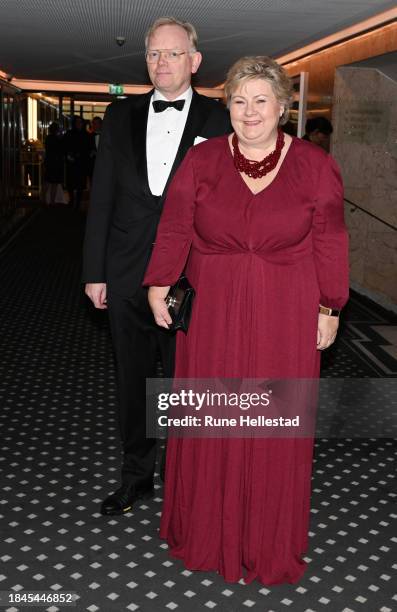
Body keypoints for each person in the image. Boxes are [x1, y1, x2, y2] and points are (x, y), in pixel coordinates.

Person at [144, 56, 349, 585]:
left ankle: (266, 540)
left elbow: (329, 239)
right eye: (239, 100)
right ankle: (207, 532)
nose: (249, 111)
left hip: (287, 309)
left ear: (283, 106)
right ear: (228, 107)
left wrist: (330, 306)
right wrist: (161, 282)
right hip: (213, 311)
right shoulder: (203, 160)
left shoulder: (315, 165)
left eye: (261, 100)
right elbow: (174, 226)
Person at [82, 17, 231, 516]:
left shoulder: (220, 119)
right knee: (135, 380)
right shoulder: (118, 116)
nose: (161, 63)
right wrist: (94, 271)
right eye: (153, 54)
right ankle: (136, 475)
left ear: (195, 60)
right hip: (125, 272)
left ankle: (191, 478)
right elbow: (101, 197)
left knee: (191, 381)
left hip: (192, 276)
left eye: (172, 54)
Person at [63, 115, 90, 210]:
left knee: (80, 185)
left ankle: (78, 202)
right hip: (72, 163)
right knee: (71, 183)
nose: (79, 124)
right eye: (77, 122)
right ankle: (71, 199)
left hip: (81, 163)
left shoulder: (86, 135)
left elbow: (88, 149)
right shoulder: (69, 134)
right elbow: (65, 146)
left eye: (80, 122)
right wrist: (68, 156)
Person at [43, 122, 64, 205]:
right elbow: (60, 150)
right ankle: (52, 201)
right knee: (54, 183)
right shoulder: (58, 139)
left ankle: (44, 199)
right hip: (56, 163)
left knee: (47, 182)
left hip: (49, 162)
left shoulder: (48, 138)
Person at [88, 116, 103, 183]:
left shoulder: (106, 136)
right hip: (92, 165)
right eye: (94, 123)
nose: (95, 125)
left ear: (101, 124)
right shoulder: (88, 137)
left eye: (97, 123)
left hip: (103, 164)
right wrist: (90, 154)